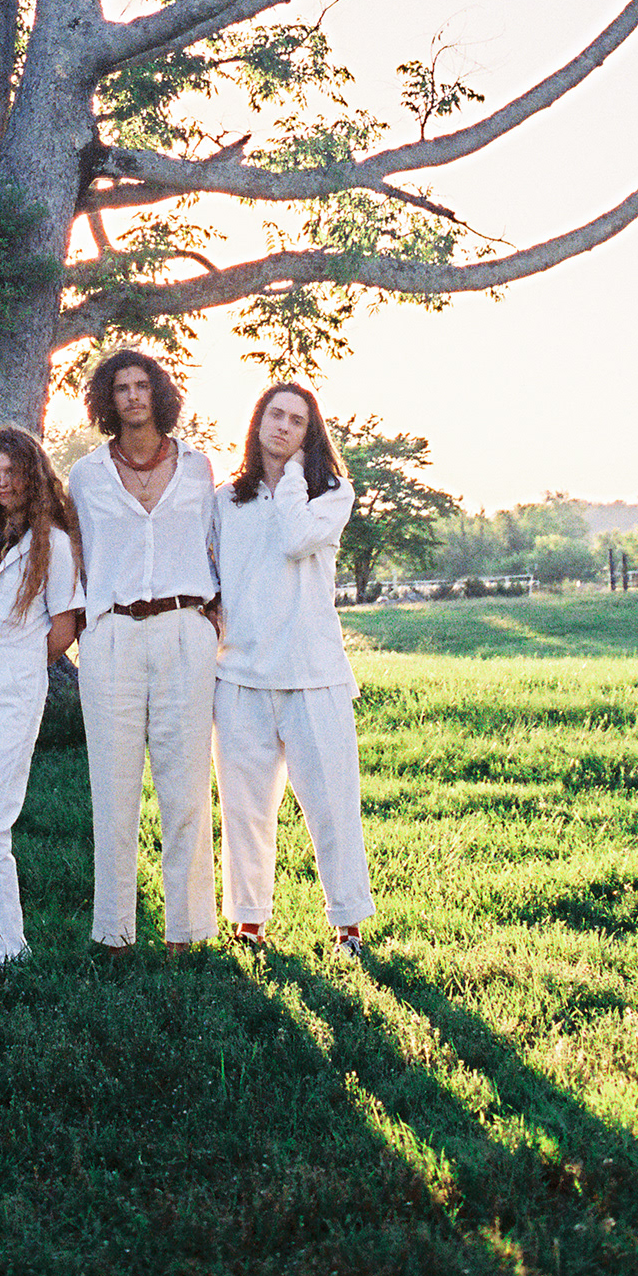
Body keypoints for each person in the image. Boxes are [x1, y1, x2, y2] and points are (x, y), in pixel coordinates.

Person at [213, 380, 375, 958]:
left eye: (297, 421)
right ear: (258, 422)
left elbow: (294, 539)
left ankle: (348, 926)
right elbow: (213, 574)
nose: (283, 426)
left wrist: (295, 477)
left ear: (311, 436)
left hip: (314, 675)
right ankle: (249, 922)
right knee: (245, 811)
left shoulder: (331, 494)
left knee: (333, 808)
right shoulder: (226, 499)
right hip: (240, 677)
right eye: (275, 415)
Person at [66, 348, 220, 952]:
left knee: (186, 787)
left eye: (141, 385)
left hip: (184, 628)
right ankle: (114, 932)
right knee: (113, 788)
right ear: (108, 400)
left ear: (158, 393)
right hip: (112, 634)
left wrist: (216, 614)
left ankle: (188, 931)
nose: (132, 396)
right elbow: (76, 553)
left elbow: (216, 544)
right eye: (121, 388)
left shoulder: (198, 468)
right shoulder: (86, 475)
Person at [0, 426, 84, 966]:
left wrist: (19, 664)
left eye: (12, 472)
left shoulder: (55, 544)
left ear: (33, 474)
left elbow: (64, 627)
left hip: (14, 694)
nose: (3, 483)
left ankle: (5, 950)